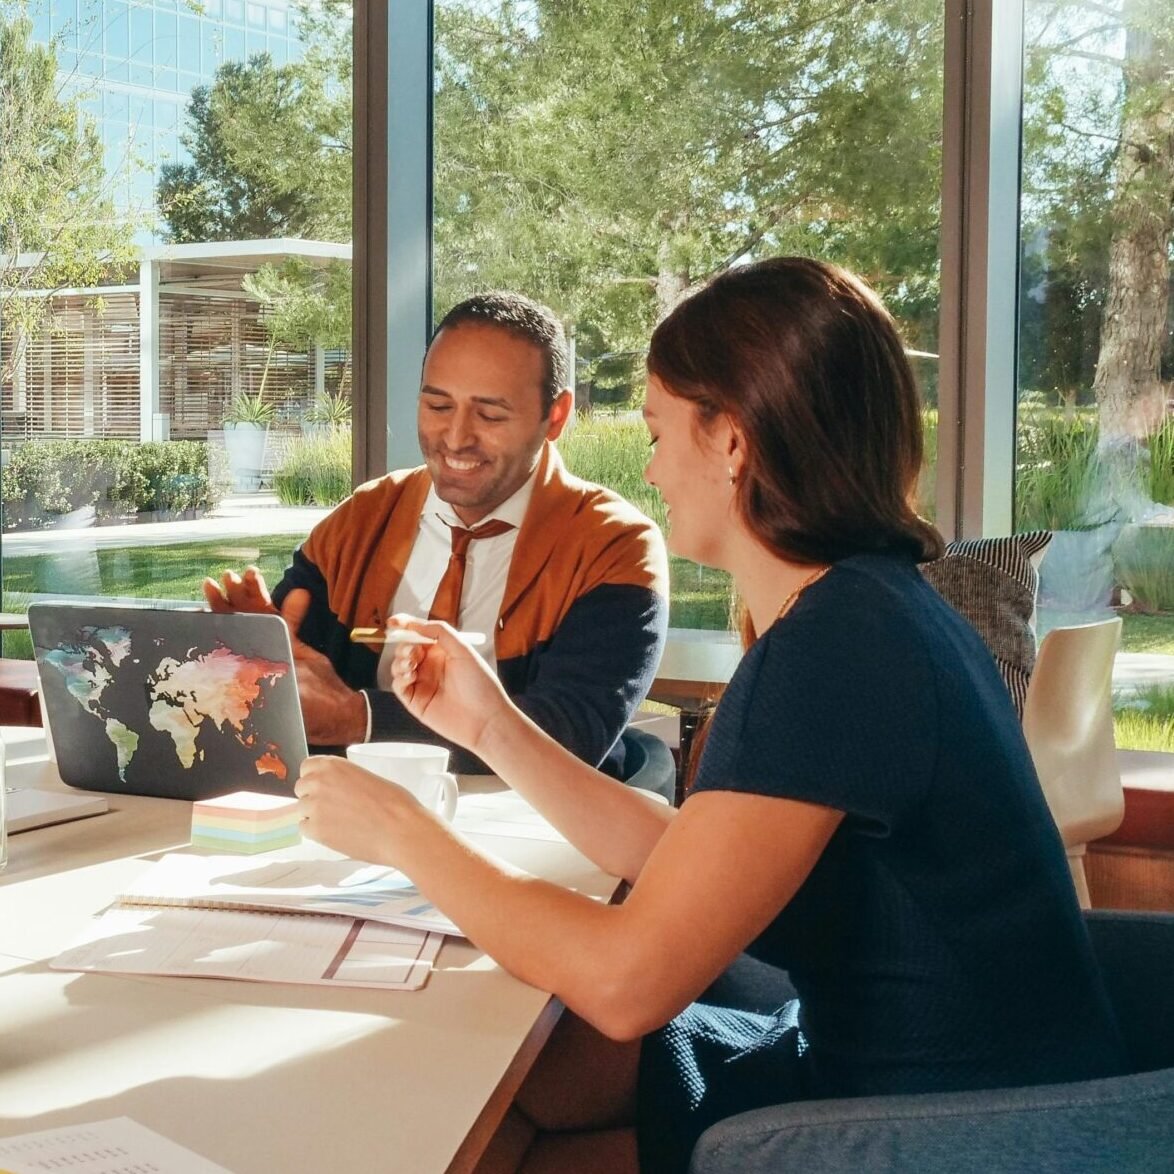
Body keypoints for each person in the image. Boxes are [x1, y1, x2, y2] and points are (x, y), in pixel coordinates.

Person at [293, 258, 1126, 1173]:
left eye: (657, 431)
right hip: (940, 1074)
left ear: (732, 441)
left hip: (943, 1130)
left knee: (508, 1129)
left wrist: (405, 833)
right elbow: (688, 858)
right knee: (534, 1088)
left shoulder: (835, 652)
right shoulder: (874, 608)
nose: (650, 468)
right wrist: (487, 724)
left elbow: (623, 984)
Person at [204, 292, 669, 776]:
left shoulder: (614, 546)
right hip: (349, 819)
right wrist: (258, 656)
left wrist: (359, 719)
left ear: (555, 416)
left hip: (527, 835)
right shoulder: (362, 520)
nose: (456, 437)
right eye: (438, 405)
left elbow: (569, 735)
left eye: (490, 414)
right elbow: (297, 693)